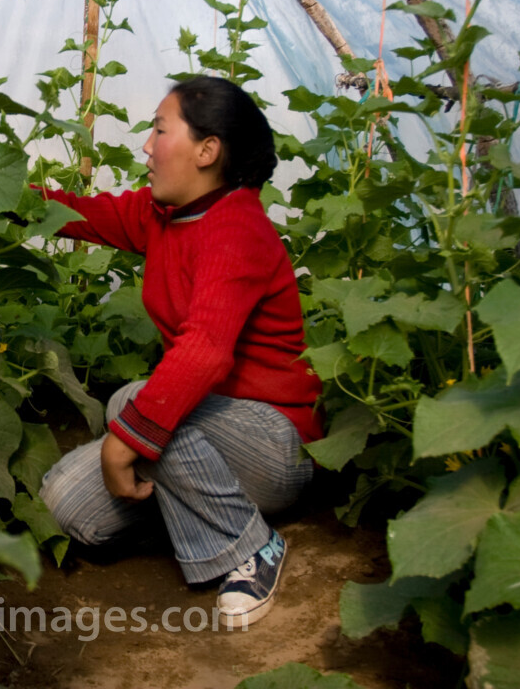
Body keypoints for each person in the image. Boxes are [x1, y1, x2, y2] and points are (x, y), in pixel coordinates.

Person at [37, 75, 321, 631]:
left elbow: (205, 353)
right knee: (65, 504)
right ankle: (193, 508)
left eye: (159, 129)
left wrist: (124, 446)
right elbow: (79, 214)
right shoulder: (163, 215)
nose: (146, 145)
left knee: (132, 405)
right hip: (198, 438)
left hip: (274, 442)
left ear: (206, 150)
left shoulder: (236, 227)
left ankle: (253, 546)